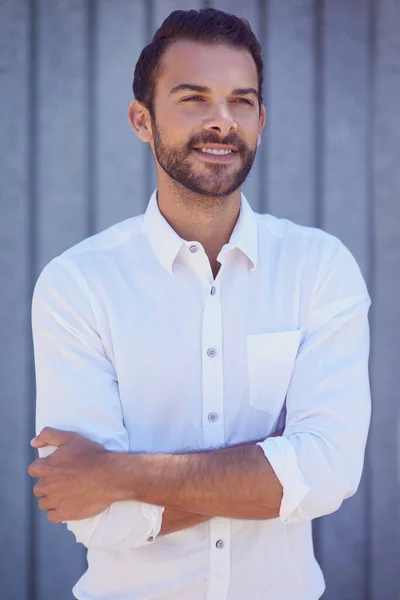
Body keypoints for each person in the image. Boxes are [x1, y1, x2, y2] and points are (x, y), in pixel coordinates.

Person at [28, 7, 371, 600]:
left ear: (261, 120)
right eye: (193, 98)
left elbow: (328, 474)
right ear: (142, 119)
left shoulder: (320, 269)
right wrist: (269, 479)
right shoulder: (77, 285)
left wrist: (115, 474)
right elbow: (94, 518)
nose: (222, 122)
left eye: (241, 101)